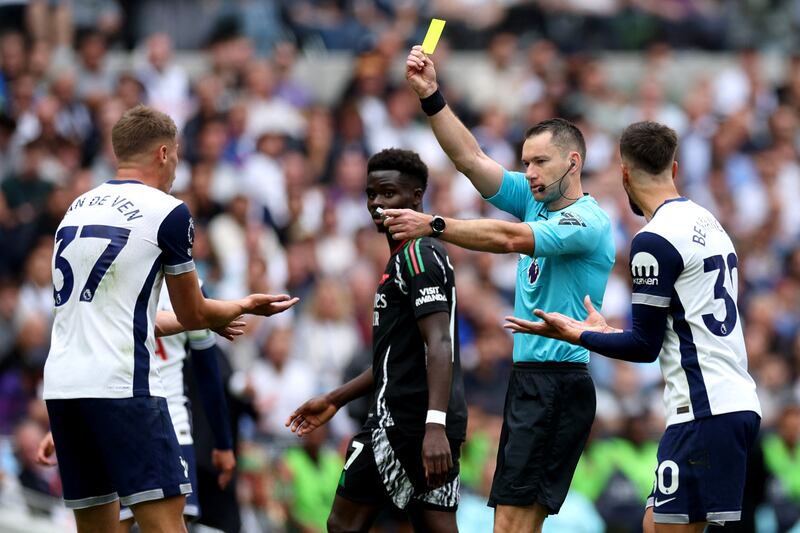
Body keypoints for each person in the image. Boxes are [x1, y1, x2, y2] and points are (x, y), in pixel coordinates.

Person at [42, 104, 298, 533]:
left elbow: (133, 316)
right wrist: (241, 306)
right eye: (177, 154)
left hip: (65, 389)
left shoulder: (76, 208)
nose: (178, 164)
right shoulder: (168, 211)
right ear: (163, 153)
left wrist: (213, 316)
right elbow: (192, 310)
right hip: (124, 386)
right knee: (166, 524)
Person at [397, 46, 615, 533]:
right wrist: (431, 94)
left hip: (557, 380)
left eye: (540, 162)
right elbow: (469, 158)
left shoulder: (587, 220)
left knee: (511, 526)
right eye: (525, 163)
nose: (530, 173)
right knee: (515, 524)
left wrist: (432, 224)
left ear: (573, 162)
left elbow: (509, 238)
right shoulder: (536, 200)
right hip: (532, 377)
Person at [505, 121, 762, 532]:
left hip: (701, 410)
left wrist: (578, 334)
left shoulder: (653, 239)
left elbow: (643, 346)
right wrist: (604, 331)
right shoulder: (708, 222)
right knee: (652, 523)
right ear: (674, 168)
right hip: (735, 403)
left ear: (624, 173)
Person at [286, 148, 467, 533]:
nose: (377, 204)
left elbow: (439, 343)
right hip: (425, 424)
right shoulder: (405, 258)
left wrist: (434, 427)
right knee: (433, 525)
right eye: (371, 194)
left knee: (342, 525)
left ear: (417, 197)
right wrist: (335, 399)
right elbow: (395, 359)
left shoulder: (418, 254)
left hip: (402, 424)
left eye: (388, 193)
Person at [37, 281, 238, 531]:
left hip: (153, 422)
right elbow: (209, 372)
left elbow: (208, 370)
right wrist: (224, 443)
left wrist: (224, 443)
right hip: (126, 421)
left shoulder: (116, 279)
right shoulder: (189, 290)